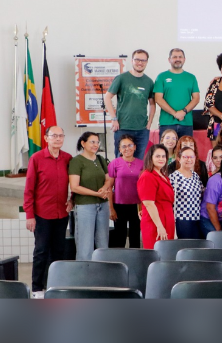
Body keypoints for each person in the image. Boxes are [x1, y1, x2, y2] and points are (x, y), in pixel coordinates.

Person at [24, 126, 73, 298]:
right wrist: (29, 215)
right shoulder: (36, 158)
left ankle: (54, 286)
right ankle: (37, 288)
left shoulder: (68, 158)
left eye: (61, 136)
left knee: (58, 251)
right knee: (41, 251)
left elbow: (75, 182)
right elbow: (29, 189)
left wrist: (72, 199)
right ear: (46, 138)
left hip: (61, 213)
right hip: (42, 214)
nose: (58, 139)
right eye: (54, 136)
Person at [105, 49, 155, 159]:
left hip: (142, 129)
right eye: (137, 60)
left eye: (143, 60)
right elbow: (107, 97)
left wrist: (149, 122)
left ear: (147, 62)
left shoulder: (149, 82)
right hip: (123, 127)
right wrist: (114, 119)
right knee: (121, 161)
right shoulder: (121, 78)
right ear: (132, 60)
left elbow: (152, 104)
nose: (140, 63)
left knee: (139, 162)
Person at [68, 132, 111, 261]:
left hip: (103, 205)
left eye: (97, 142)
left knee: (103, 244)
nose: (96, 145)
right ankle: (84, 271)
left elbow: (108, 179)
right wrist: (96, 193)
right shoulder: (76, 161)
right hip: (85, 206)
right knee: (85, 245)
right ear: (83, 143)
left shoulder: (100, 160)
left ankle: (102, 270)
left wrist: (104, 188)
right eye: (92, 142)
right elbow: (74, 187)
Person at [153, 48, 200, 138]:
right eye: (174, 57)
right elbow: (158, 99)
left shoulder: (191, 77)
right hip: (166, 123)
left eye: (180, 57)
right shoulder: (161, 77)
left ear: (184, 59)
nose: (177, 59)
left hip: (186, 123)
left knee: (186, 147)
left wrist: (183, 112)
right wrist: (175, 113)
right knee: (166, 147)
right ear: (169, 59)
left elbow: (196, 98)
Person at [137, 144, 176, 249]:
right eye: (158, 156)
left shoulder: (162, 175)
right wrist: (160, 226)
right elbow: (149, 204)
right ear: (151, 158)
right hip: (155, 222)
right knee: (156, 252)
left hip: (167, 219)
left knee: (167, 252)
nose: (161, 159)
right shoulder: (147, 176)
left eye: (163, 156)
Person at [107, 135, 143, 248]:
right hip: (119, 205)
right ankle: (120, 258)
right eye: (124, 146)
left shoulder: (142, 164)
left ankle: (135, 258)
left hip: (137, 205)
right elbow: (109, 187)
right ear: (119, 149)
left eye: (130, 145)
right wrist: (111, 208)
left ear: (135, 147)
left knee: (135, 237)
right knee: (119, 237)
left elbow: (144, 186)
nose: (127, 148)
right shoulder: (114, 163)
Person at [169, 146, 204, 239]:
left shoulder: (195, 175)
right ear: (179, 159)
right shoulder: (174, 177)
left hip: (197, 218)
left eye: (192, 157)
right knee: (185, 245)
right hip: (182, 219)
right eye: (185, 157)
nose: (189, 160)